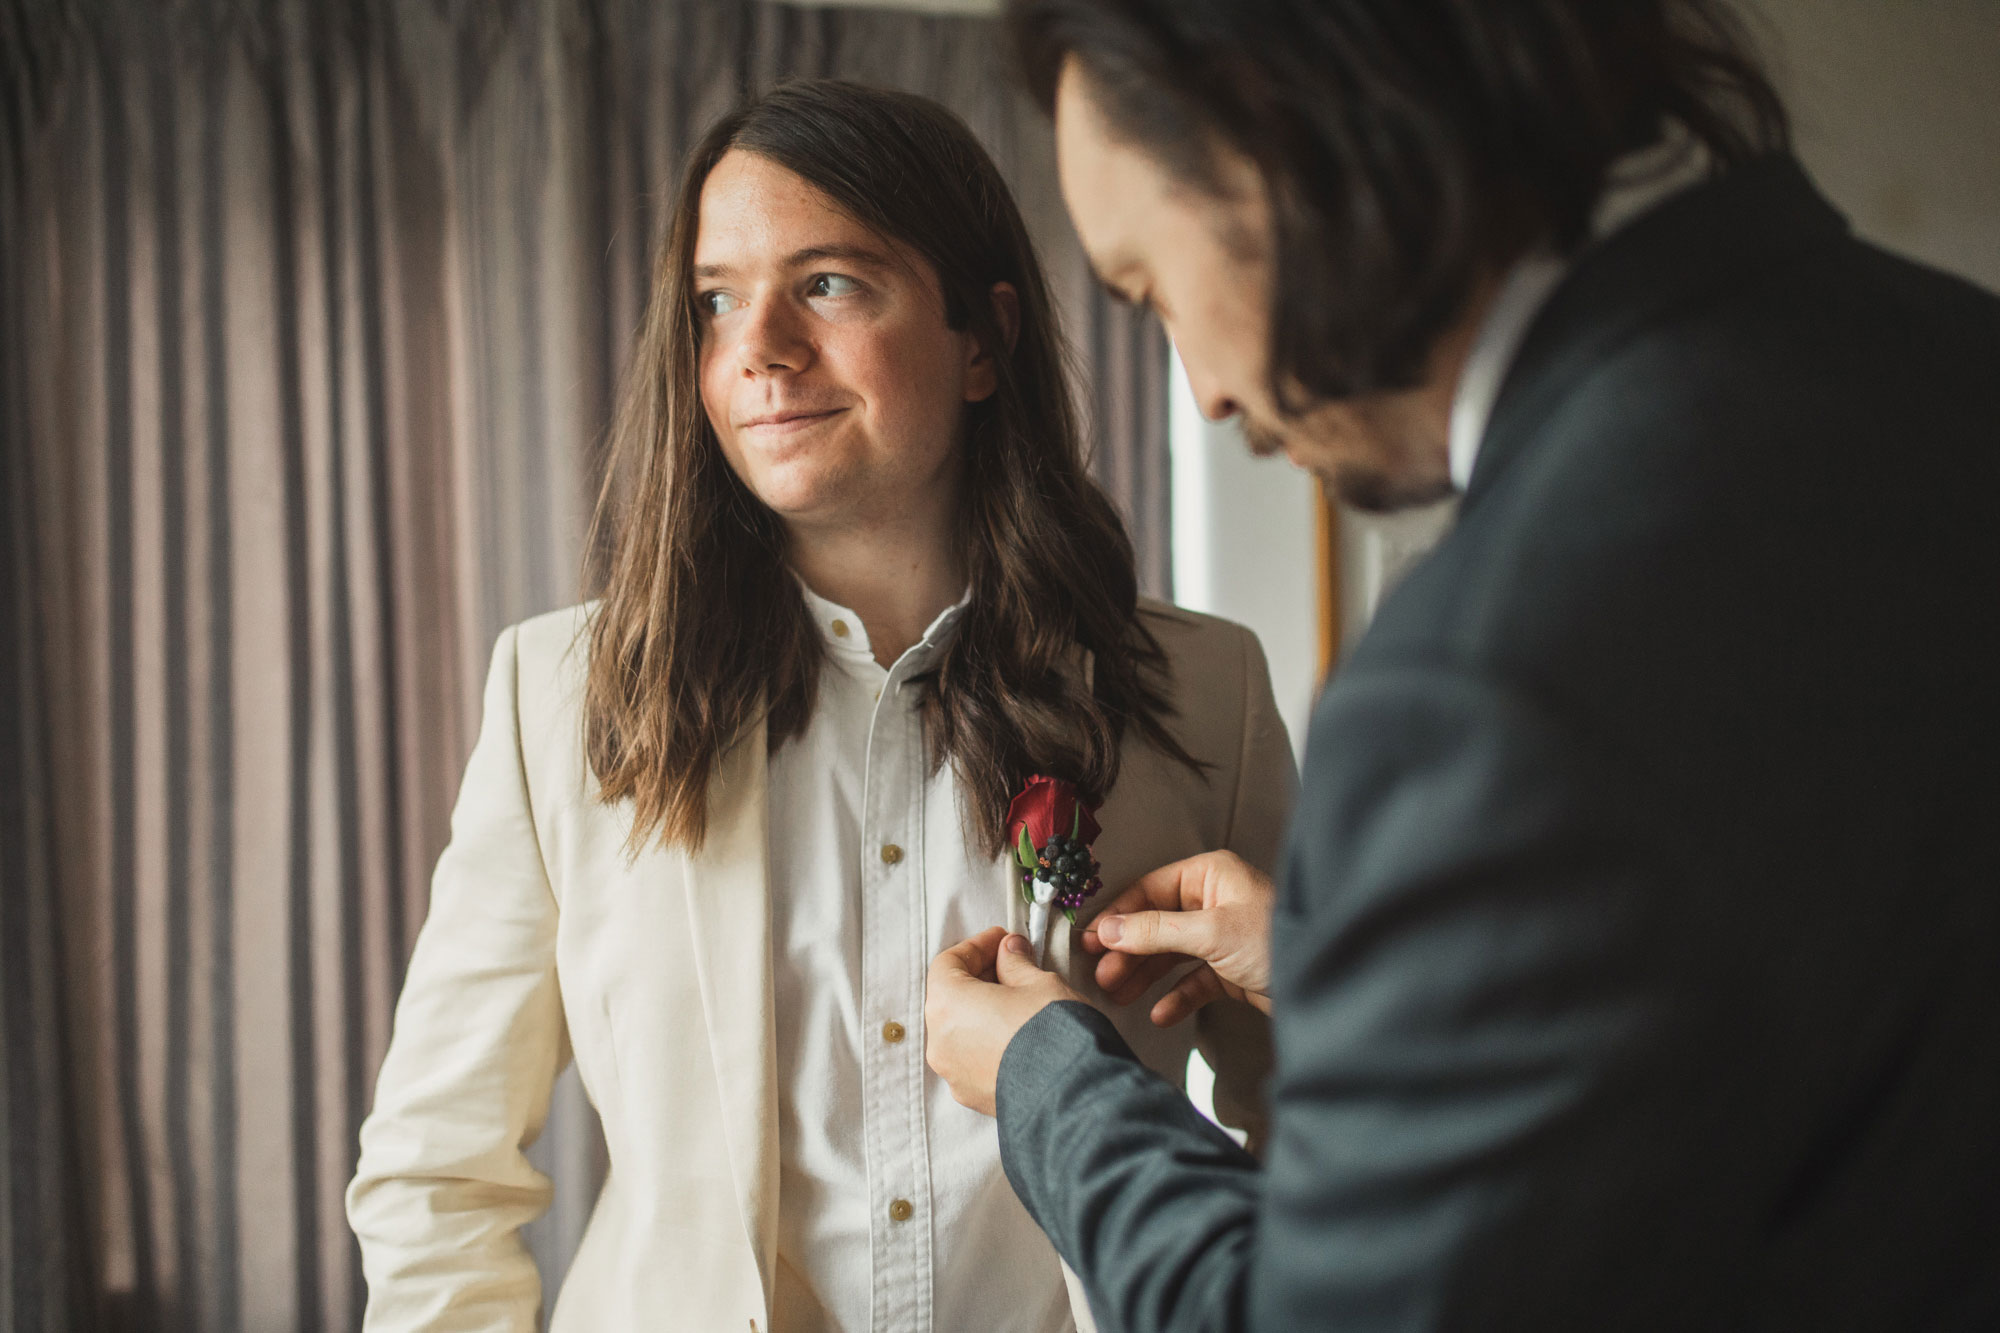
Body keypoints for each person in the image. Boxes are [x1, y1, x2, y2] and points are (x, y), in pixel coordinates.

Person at [924, 1, 2000, 1328]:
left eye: (1150, 286)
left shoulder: (1485, 672)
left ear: (1292, 146)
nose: (1198, 390)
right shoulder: (1958, 366)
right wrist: (1348, 969)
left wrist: (1047, 1078)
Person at [345, 78, 1292, 1333]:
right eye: (715, 300)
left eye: (829, 284)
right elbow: (435, 1175)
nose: (760, 348)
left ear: (980, 340)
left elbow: (1331, 1118)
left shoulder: (1203, 694)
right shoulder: (558, 701)